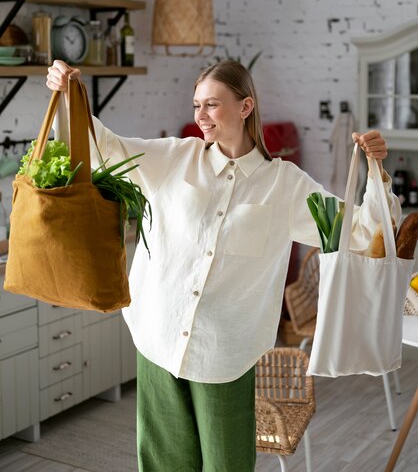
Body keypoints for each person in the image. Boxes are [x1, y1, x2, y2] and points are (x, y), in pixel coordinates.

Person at [46, 59, 400, 472]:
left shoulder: (285, 184)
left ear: (245, 106)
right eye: (197, 105)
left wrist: (379, 174)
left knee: (227, 464)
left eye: (212, 104)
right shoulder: (173, 159)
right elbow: (103, 149)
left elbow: (359, 231)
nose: (200, 116)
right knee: (163, 464)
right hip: (158, 336)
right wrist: (68, 96)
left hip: (225, 354)